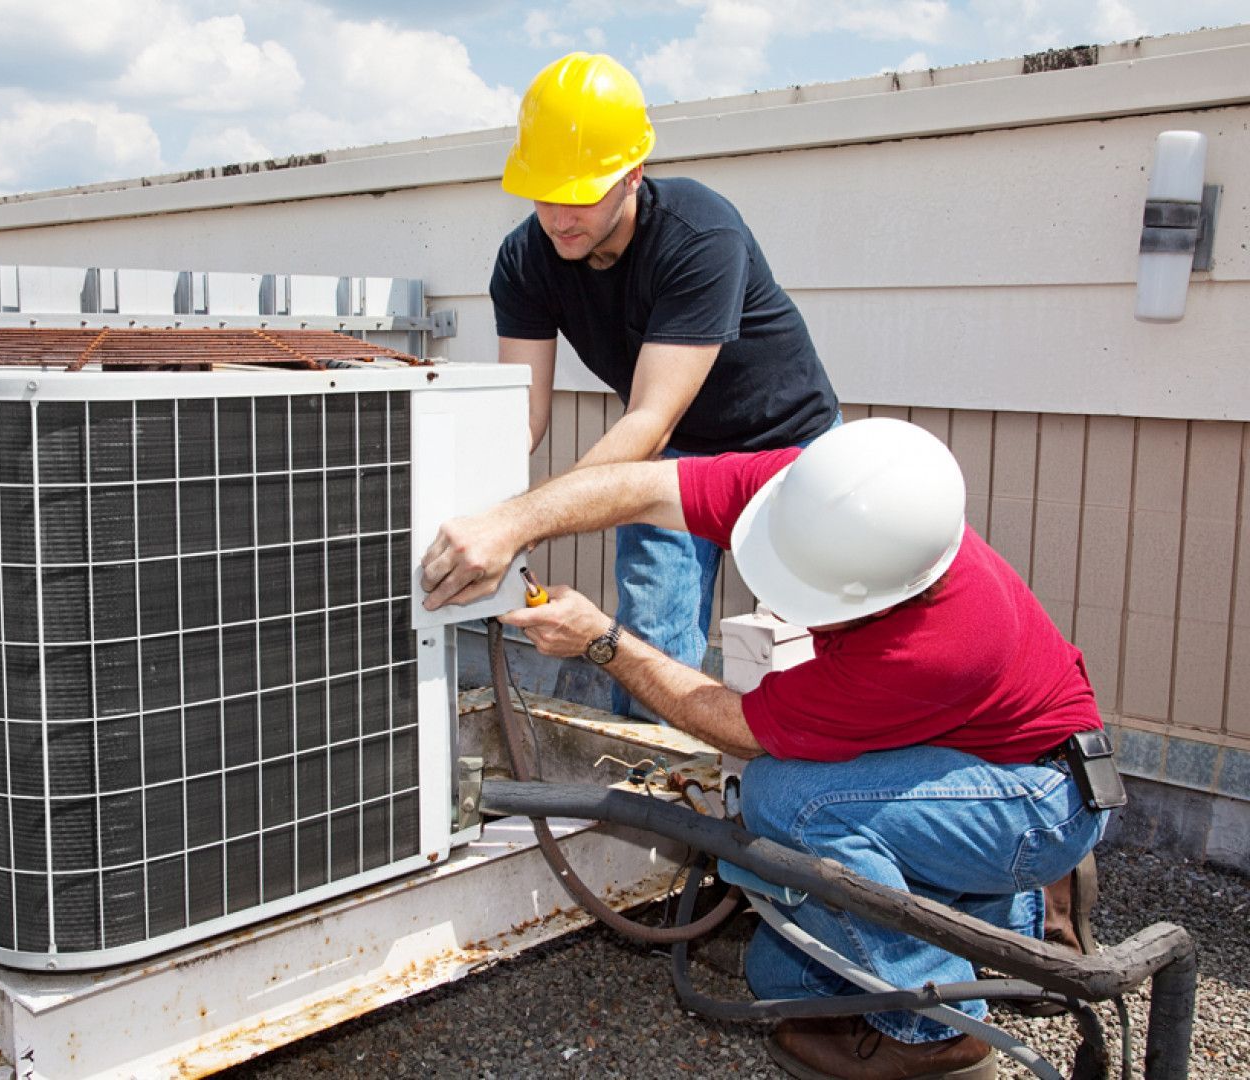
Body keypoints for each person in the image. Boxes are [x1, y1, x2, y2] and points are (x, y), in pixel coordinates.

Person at [422, 418, 1113, 1080]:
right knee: (776, 976)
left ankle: (939, 1034)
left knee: (789, 802)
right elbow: (642, 485)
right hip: (977, 760)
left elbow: (736, 726)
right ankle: (1020, 920)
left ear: (882, 595)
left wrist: (602, 641)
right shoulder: (820, 496)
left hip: (1035, 797)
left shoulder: (935, 646)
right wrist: (512, 520)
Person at [492, 51, 840, 718]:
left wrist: (521, 522)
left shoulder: (699, 233)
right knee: (648, 640)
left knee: (826, 633)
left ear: (632, 175)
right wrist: (482, 508)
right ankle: (653, 801)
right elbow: (523, 414)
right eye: (546, 193)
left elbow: (649, 417)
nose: (561, 217)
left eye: (584, 193)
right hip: (674, 457)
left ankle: (812, 789)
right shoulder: (525, 259)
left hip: (789, 450)